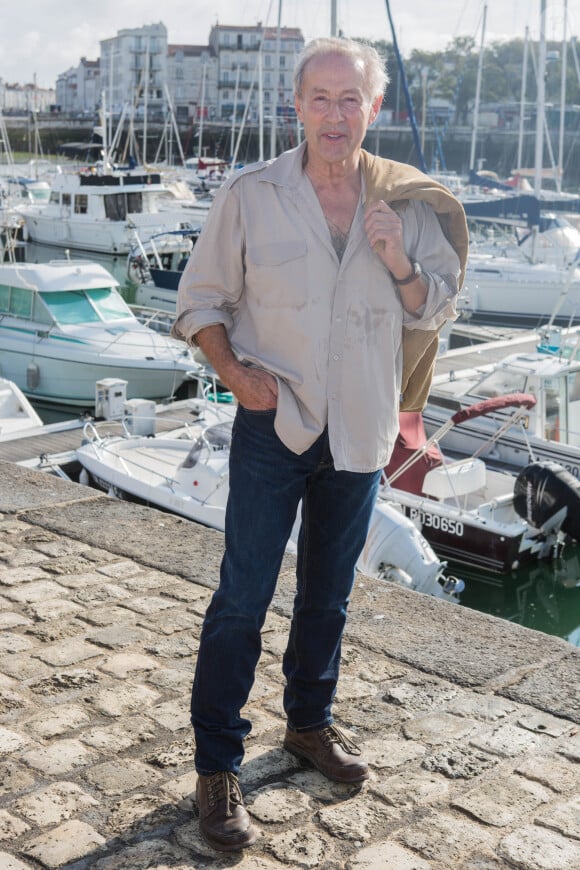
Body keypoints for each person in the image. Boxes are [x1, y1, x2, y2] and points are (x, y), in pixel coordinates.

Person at [171, 36, 468, 852]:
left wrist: (400, 261)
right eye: (321, 99)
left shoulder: (409, 204)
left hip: (362, 433)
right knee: (241, 600)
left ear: (375, 110)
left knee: (329, 599)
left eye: (352, 101)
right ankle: (216, 766)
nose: (336, 116)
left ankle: (308, 725)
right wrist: (234, 375)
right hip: (275, 425)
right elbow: (201, 301)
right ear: (297, 106)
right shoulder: (251, 194)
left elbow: (435, 309)